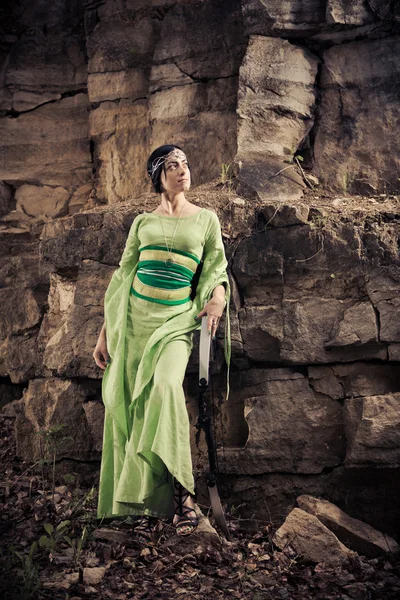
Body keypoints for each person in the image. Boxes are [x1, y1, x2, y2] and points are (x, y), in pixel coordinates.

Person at [93, 144, 231, 544]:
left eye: (186, 163)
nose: (182, 170)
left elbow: (215, 268)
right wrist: (106, 331)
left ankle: (185, 497)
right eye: (172, 165)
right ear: (158, 175)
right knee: (134, 409)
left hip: (175, 321)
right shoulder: (142, 223)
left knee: (167, 387)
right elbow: (123, 277)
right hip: (134, 321)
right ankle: (138, 504)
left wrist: (217, 296)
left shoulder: (205, 219)